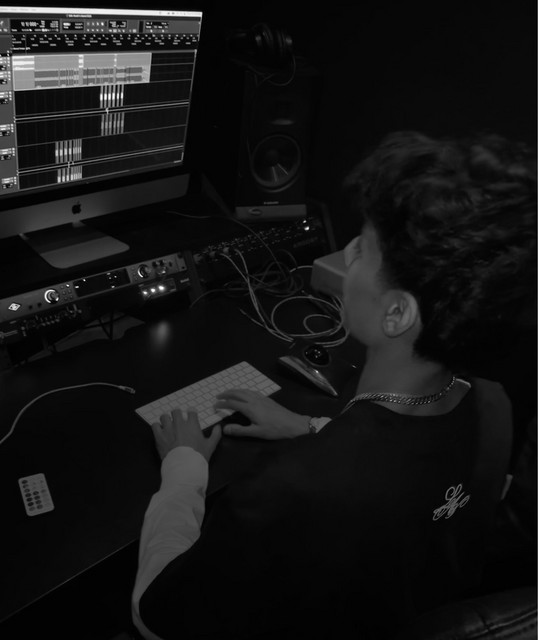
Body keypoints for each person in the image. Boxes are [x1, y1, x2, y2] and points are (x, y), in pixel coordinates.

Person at [131, 131, 536, 640]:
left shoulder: (296, 487)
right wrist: (311, 426)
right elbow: (415, 477)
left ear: (396, 313)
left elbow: (159, 616)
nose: (346, 254)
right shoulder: (495, 405)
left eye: (362, 249)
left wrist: (183, 468)